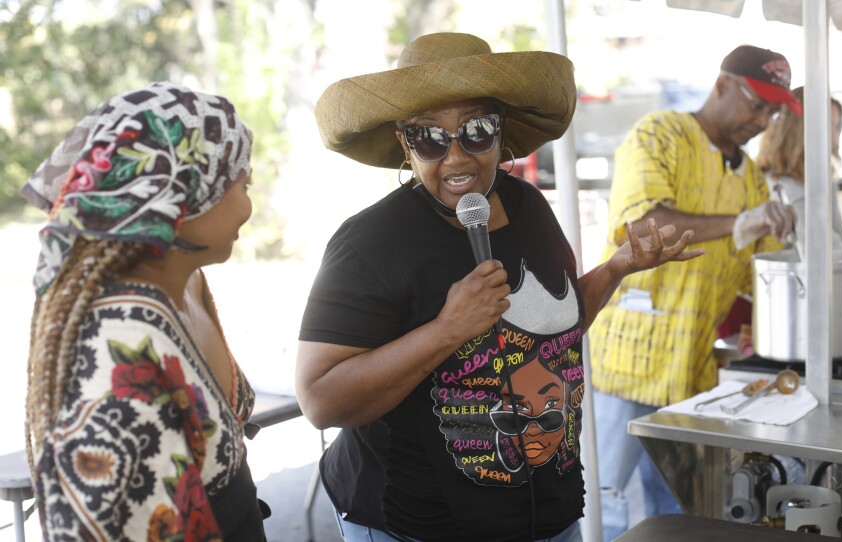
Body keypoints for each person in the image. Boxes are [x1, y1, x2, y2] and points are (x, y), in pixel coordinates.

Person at [296, 32, 703, 542]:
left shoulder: (529, 205)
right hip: (417, 521)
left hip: (547, 514)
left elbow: (555, 331)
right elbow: (319, 400)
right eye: (429, 138)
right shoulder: (370, 242)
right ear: (405, 143)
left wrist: (614, 269)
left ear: (501, 132)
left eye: (476, 131)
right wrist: (447, 330)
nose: (457, 158)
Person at [22, 82, 269, 541]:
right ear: (182, 196)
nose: (248, 207)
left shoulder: (186, 285)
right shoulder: (118, 355)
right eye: (242, 184)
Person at [587, 44, 799, 541]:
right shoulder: (660, 134)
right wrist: (738, 223)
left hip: (690, 371)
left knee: (679, 507)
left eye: (772, 111)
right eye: (757, 103)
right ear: (722, 84)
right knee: (604, 498)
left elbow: (758, 271)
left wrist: (792, 256)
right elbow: (641, 225)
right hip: (627, 362)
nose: (763, 120)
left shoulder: (749, 177)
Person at [756, 86, 842, 285]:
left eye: (837, 127)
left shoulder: (822, 180)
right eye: (826, 126)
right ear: (795, 129)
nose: (834, 139)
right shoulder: (779, 184)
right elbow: (833, 255)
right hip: (784, 298)